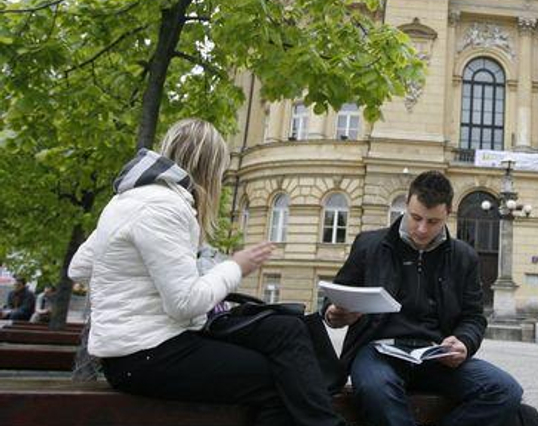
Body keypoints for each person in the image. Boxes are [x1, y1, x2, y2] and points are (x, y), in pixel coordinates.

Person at [68, 118, 344, 426]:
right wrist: (235, 266)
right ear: (209, 169)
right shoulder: (164, 208)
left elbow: (79, 267)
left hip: (139, 350)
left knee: (285, 338)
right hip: (147, 356)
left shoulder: (126, 200)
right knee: (281, 380)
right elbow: (184, 303)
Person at [325, 170, 523, 426]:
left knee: (506, 390)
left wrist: (464, 342)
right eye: (415, 217)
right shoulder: (369, 245)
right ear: (406, 205)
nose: (421, 229)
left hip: (435, 355)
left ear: (447, 214)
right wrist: (334, 313)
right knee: (377, 389)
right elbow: (334, 301)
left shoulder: (464, 257)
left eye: (433, 222)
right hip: (377, 351)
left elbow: (473, 317)